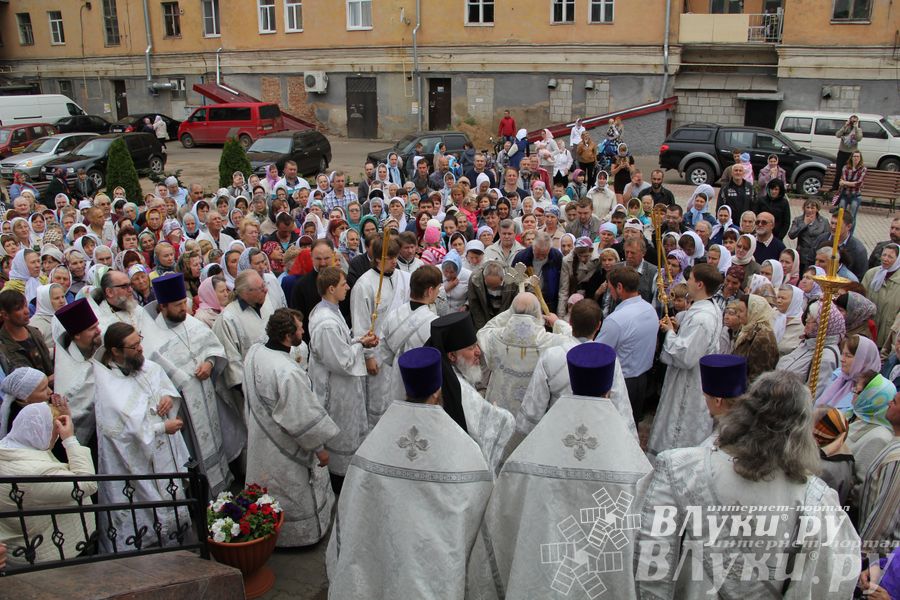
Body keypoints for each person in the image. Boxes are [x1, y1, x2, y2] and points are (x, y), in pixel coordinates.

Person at [636, 371, 861, 598]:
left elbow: (649, 557)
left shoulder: (682, 468)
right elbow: (828, 580)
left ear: (745, 412)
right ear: (803, 431)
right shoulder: (816, 499)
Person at [468, 343, 651, 600]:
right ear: (609, 390)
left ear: (573, 383)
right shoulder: (635, 466)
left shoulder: (526, 458)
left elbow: (503, 523)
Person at [326, 347, 492, 599]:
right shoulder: (464, 449)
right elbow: (477, 509)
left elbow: (354, 508)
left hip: (382, 562)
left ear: (407, 388)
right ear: (438, 390)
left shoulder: (374, 444)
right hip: (436, 571)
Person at [243, 308, 338, 547]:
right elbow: (302, 417)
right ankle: (299, 536)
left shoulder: (256, 352)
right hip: (286, 446)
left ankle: (266, 529)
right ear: (287, 336)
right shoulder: (288, 372)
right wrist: (320, 449)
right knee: (292, 488)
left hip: (260, 437)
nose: (303, 330)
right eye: (299, 327)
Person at [92, 322, 190, 553]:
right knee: (145, 511)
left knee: (172, 497)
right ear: (116, 351)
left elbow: (166, 388)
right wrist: (160, 428)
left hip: (164, 452)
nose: (140, 350)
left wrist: (167, 397)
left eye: (140, 342)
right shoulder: (107, 383)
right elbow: (119, 432)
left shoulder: (148, 367)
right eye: (133, 347)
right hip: (135, 463)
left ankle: (179, 543)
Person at [147, 273, 236, 496]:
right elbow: (156, 378)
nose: (183, 310)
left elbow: (213, 347)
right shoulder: (153, 337)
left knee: (215, 440)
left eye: (183, 304)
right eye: (177, 306)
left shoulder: (191, 322)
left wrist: (209, 362)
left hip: (206, 394)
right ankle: (201, 494)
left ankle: (222, 485)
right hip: (184, 406)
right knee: (194, 450)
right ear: (163, 306)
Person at [518, 298, 636, 437]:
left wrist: (525, 436)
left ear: (570, 322)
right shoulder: (608, 359)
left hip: (557, 428)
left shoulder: (551, 356)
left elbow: (535, 403)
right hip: (595, 430)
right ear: (599, 325)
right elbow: (620, 403)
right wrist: (630, 439)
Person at [307, 267, 378, 493]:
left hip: (343, 388)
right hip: (335, 390)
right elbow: (341, 361)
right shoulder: (326, 322)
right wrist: (361, 345)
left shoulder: (331, 310)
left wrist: (358, 339)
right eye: (343, 284)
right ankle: (341, 483)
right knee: (341, 436)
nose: (347, 287)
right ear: (331, 289)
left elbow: (342, 343)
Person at [0, 403, 96, 568]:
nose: (58, 434)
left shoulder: (11, 450)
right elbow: (86, 484)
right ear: (42, 432)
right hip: (46, 552)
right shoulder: (34, 473)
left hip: (19, 548)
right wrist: (70, 440)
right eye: (54, 428)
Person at [648, 263, 723, 459]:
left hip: (690, 384)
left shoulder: (702, 318)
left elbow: (686, 356)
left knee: (676, 432)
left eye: (690, 279)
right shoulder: (706, 309)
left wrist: (670, 333)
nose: (686, 281)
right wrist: (680, 328)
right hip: (692, 378)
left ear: (699, 284)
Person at [427, 312, 514, 475]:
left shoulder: (445, 373)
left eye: (476, 345)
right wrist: (494, 412)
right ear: (452, 356)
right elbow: (503, 423)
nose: (478, 352)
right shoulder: (458, 387)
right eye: (471, 348)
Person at [477, 292, 573, 416]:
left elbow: (483, 332)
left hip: (501, 407)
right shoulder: (548, 341)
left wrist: (511, 313)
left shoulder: (497, 336)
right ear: (538, 313)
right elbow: (574, 341)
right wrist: (557, 323)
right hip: (531, 410)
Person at [349, 235, 410, 428]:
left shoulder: (403, 278)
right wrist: (368, 357)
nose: (394, 262)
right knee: (378, 401)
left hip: (400, 351)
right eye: (389, 258)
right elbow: (360, 323)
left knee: (400, 396)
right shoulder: (364, 285)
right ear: (377, 259)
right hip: (377, 354)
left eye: (395, 257)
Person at [596, 266, 659, 420]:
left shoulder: (616, 320)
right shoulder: (649, 309)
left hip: (622, 383)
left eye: (611, 288)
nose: (609, 292)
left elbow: (598, 353)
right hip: (643, 379)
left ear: (619, 287)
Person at [378, 266, 443, 400]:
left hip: (396, 378)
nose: (438, 292)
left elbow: (384, 350)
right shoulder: (434, 324)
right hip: (424, 388)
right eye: (438, 289)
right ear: (430, 291)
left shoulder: (393, 315)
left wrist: (398, 363)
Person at [213, 270, 274, 393]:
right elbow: (233, 367)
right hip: (251, 391)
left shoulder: (266, 302)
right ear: (245, 293)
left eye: (264, 285)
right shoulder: (227, 319)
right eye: (260, 288)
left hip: (275, 379)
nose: (266, 290)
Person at [857, 388, 900, 557]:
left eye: (895, 402)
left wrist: (862, 555)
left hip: (879, 559)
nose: (889, 403)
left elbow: (882, 519)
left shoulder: (897, 458)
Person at [52, 298, 102, 445]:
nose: (99, 331)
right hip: (86, 441)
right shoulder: (69, 372)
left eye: (97, 325)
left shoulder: (100, 345)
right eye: (92, 328)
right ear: (77, 335)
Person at [777, 300, 845, 396]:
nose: (806, 321)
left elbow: (814, 396)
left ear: (822, 326)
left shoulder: (825, 357)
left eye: (811, 319)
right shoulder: (808, 343)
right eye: (808, 317)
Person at [696, 354, 748, 447]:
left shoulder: (712, 445)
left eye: (706, 397)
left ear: (717, 401)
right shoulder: (754, 427)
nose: (706, 403)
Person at [0, 290, 53, 377]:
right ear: (5, 315)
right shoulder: (3, 346)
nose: (26, 311)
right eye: (19, 309)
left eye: (25, 306)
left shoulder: (34, 332)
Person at [862, 243, 900, 349]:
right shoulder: (871, 274)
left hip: (888, 334)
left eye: (890, 257)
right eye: (884, 255)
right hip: (868, 330)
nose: (885, 259)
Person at [466, 260, 517, 330]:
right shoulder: (475, 278)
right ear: (484, 278)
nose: (493, 289)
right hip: (485, 315)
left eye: (496, 287)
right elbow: (474, 306)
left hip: (506, 318)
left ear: (503, 279)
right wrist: (482, 329)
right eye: (489, 286)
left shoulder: (513, 277)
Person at [832, 115, 863, 188]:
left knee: (850, 170)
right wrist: (845, 126)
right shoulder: (846, 128)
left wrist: (855, 127)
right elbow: (837, 135)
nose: (853, 122)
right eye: (852, 120)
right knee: (839, 170)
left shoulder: (858, 130)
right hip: (842, 152)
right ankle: (835, 186)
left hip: (851, 154)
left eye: (855, 121)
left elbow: (859, 138)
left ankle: (847, 186)